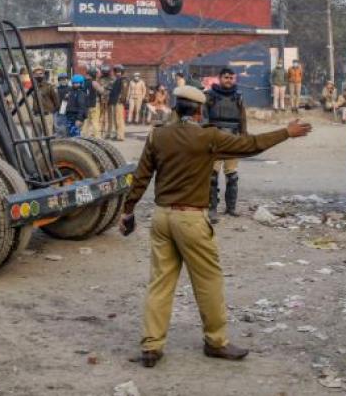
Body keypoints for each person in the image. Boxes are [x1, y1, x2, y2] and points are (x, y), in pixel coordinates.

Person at [119, 85, 312, 367]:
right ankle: (216, 341)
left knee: (160, 283)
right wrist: (285, 132)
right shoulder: (208, 136)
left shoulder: (158, 135)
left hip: (162, 218)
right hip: (191, 219)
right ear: (199, 110)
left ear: (175, 107)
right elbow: (251, 145)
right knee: (208, 281)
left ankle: (151, 346)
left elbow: (141, 177)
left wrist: (127, 210)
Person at [205, 68, 247, 221]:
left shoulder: (238, 96)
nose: (228, 80)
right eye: (226, 77)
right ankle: (212, 209)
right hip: (215, 140)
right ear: (219, 78)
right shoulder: (210, 95)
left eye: (231, 78)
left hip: (232, 140)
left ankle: (231, 208)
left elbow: (242, 118)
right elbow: (204, 118)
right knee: (212, 177)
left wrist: (244, 137)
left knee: (232, 176)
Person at [32, 67, 60, 136]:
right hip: (36, 116)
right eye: (36, 74)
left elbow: (57, 102)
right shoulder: (32, 88)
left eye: (40, 74)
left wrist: (50, 112)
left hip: (46, 116)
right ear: (34, 76)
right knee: (35, 139)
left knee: (48, 138)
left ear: (44, 75)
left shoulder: (49, 87)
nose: (38, 76)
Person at [108, 65, 129, 141]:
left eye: (119, 72)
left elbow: (124, 91)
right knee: (116, 119)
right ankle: (117, 134)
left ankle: (121, 136)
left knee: (119, 119)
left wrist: (121, 100)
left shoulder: (124, 80)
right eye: (116, 72)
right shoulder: (117, 80)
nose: (117, 73)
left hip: (119, 102)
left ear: (122, 72)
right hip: (114, 101)